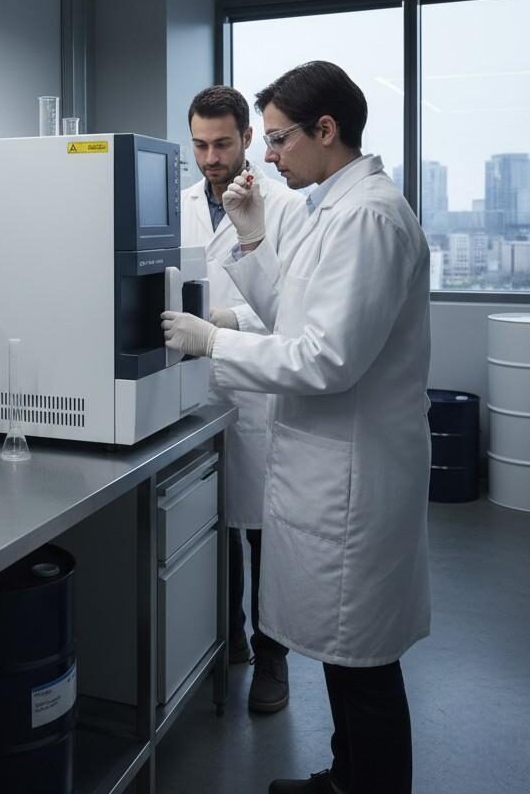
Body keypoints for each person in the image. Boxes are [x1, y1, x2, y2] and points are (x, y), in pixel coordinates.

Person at [162, 61, 431, 794]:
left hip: (354, 473)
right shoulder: (331, 208)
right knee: (348, 655)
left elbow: (326, 358)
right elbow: (293, 315)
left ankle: (366, 785)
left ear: (326, 130)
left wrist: (213, 341)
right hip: (328, 463)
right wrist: (252, 246)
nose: (268, 157)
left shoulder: (368, 217)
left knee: (364, 661)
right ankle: (346, 777)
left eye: (276, 139)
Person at [182, 85, 306, 714]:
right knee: (212, 524)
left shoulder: (284, 207)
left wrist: (227, 321)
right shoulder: (175, 206)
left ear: (248, 139)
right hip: (190, 390)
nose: (210, 157)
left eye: (223, 143)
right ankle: (226, 638)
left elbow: (293, 311)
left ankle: (272, 658)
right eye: (200, 144)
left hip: (255, 389)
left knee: (260, 530)